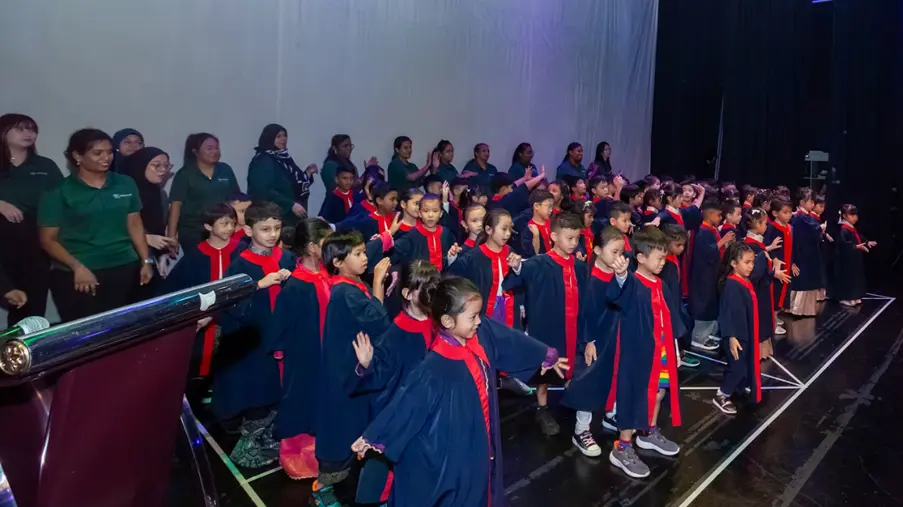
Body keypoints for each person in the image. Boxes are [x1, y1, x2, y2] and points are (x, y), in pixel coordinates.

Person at [350, 277, 568, 507]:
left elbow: (508, 339)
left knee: (484, 482)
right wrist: (374, 436)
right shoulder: (433, 368)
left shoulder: (480, 334)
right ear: (447, 321)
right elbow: (407, 404)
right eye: (472, 317)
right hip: (456, 446)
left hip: (483, 438)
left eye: (479, 314)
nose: (479, 321)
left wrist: (544, 355)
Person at [348, 260, 441, 505]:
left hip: (425, 411)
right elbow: (379, 376)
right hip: (396, 411)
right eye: (427, 289)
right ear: (408, 294)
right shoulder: (396, 333)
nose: (433, 294)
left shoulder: (437, 323)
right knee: (379, 462)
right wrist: (368, 364)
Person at [38, 128, 153, 322]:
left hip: (124, 266)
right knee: (86, 334)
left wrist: (146, 261)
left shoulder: (125, 183)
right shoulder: (58, 191)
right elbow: (47, 240)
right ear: (78, 156)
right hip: (80, 272)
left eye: (109, 152)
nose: (106, 158)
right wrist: (77, 267)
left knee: (123, 328)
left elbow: (135, 224)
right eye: (98, 153)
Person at [312, 232, 392, 506]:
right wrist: (379, 285)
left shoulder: (352, 283)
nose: (365, 257)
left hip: (357, 368)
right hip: (346, 373)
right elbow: (377, 321)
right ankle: (321, 489)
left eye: (363, 252)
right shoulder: (344, 291)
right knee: (341, 428)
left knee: (356, 425)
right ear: (337, 262)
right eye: (357, 254)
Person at [213, 202, 294, 468]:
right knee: (257, 392)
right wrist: (259, 285)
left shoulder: (285, 257)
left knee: (278, 391)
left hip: (281, 337)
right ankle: (248, 447)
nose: (272, 234)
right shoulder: (240, 265)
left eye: (277, 228)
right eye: (265, 229)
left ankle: (270, 438)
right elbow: (228, 304)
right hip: (255, 342)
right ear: (248, 230)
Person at [606, 229, 681, 479]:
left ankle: (649, 432)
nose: (663, 263)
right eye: (659, 258)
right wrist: (619, 276)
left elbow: (669, 318)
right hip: (637, 353)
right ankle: (623, 447)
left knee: (658, 392)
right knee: (633, 397)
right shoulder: (632, 282)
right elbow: (615, 295)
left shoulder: (659, 284)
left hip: (660, 350)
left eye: (664, 258)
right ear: (640, 257)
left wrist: (674, 349)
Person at [505, 212, 588, 436]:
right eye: (569, 238)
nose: (573, 243)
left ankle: (569, 400)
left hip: (575, 327)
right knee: (546, 372)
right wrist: (516, 267)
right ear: (553, 237)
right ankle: (542, 408)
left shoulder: (580, 267)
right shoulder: (539, 264)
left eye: (576, 239)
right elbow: (519, 276)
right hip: (548, 328)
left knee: (573, 367)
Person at [267, 218, 334, 480]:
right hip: (303, 357)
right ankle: (296, 454)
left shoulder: (330, 275)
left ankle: (321, 447)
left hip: (327, 353)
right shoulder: (295, 284)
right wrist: (282, 352)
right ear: (311, 248)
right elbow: (281, 327)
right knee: (300, 400)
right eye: (325, 242)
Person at [561, 226, 625, 457]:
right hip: (595, 341)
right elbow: (585, 313)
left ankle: (610, 415)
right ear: (597, 250)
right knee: (589, 381)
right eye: (615, 252)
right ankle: (581, 430)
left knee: (616, 377)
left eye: (622, 252)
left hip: (614, 337)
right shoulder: (591, 279)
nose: (620, 258)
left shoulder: (617, 275)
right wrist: (589, 341)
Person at [0, 113, 63, 325]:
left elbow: (62, 199)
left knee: (31, 304)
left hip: (35, 242)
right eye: (20, 129)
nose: (29, 134)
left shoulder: (45, 166)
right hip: (3, 240)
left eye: (32, 129)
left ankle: (25, 351)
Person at [166, 203, 241, 381]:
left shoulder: (242, 251)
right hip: (202, 327)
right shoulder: (194, 257)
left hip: (235, 322)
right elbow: (174, 292)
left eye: (232, 223)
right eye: (224, 223)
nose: (230, 228)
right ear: (208, 226)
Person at [448, 208, 521, 328]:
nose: (508, 234)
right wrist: (452, 258)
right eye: (503, 229)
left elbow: (517, 283)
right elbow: (454, 277)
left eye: (510, 229)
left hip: (509, 308)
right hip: (484, 311)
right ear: (488, 229)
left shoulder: (510, 252)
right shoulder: (473, 257)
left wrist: (518, 268)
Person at [712, 243, 762, 415]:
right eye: (747, 262)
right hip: (735, 335)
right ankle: (722, 394)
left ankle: (741, 385)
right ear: (734, 263)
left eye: (752, 262)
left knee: (742, 363)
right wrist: (731, 336)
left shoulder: (744, 280)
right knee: (738, 366)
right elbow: (726, 314)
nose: (751, 266)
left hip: (745, 332)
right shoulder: (732, 285)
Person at [168, 133, 241, 250]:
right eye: (209, 148)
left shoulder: (225, 169)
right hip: (194, 232)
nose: (215, 151)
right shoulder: (185, 174)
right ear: (195, 151)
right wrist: (171, 237)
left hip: (223, 230)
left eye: (217, 147)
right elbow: (176, 206)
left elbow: (236, 199)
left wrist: (239, 224)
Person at [121, 147, 179, 290]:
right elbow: (114, 227)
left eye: (166, 165)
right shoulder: (124, 194)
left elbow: (159, 228)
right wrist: (146, 238)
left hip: (151, 260)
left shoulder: (160, 194)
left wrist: (162, 255)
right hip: (124, 260)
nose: (163, 170)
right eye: (157, 165)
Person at [247, 124, 317, 226]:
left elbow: (292, 183)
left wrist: (307, 173)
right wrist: (290, 204)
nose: (283, 139)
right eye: (278, 136)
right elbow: (263, 190)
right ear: (269, 138)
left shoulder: (283, 157)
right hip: (274, 215)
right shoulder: (263, 160)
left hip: (290, 215)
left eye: (285, 135)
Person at [742, 208, 789, 360]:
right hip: (757, 291)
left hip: (762, 288)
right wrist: (774, 272)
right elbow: (755, 272)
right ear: (757, 224)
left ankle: (762, 350)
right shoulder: (752, 246)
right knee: (759, 319)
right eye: (764, 223)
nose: (767, 226)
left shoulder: (755, 243)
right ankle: (757, 351)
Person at [689, 200, 735, 351]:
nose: (720, 218)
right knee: (704, 305)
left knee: (711, 304)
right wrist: (723, 241)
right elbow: (707, 253)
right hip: (704, 277)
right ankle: (698, 338)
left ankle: (708, 334)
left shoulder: (712, 230)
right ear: (709, 214)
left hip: (713, 275)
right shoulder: (703, 232)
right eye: (718, 215)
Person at [659, 224, 700, 369]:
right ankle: (676, 355)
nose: (682, 248)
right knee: (676, 329)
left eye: (683, 245)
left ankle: (679, 352)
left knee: (684, 325)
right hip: (671, 303)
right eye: (678, 245)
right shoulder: (664, 264)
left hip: (677, 300)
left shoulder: (673, 258)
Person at [390, 193, 461, 272]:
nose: (430, 215)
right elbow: (394, 255)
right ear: (419, 213)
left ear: (441, 213)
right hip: (419, 280)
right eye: (426, 211)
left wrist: (452, 255)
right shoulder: (412, 235)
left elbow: (452, 258)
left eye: (435, 211)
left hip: (443, 279)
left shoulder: (446, 233)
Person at [788, 188, 825, 317]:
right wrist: (820, 228)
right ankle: (798, 309)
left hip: (808, 253)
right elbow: (811, 232)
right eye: (810, 201)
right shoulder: (800, 218)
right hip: (803, 254)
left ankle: (801, 308)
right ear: (802, 202)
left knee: (806, 282)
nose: (812, 204)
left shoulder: (804, 217)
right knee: (803, 282)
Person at [832, 204, 875, 306]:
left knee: (855, 278)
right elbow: (843, 244)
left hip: (854, 258)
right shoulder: (843, 229)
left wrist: (866, 242)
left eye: (855, 215)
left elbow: (859, 237)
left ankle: (855, 296)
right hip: (846, 259)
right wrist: (855, 247)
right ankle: (846, 297)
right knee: (848, 278)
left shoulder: (851, 228)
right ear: (844, 216)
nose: (855, 217)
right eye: (851, 215)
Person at [764, 198, 797, 311]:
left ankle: (777, 316)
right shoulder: (771, 228)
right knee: (775, 293)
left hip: (787, 265)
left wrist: (792, 263)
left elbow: (792, 248)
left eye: (790, 212)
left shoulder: (790, 228)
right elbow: (766, 247)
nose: (789, 215)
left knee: (784, 291)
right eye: (785, 212)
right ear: (775, 213)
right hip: (776, 267)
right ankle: (774, 319)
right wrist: (773, 259)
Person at [521, 189, 554, 257]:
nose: (551, 210)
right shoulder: (529, 228)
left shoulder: (553, 222)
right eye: (548, 206)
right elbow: (531, 254)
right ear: (536, 206)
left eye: (552, 207)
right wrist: (536, 236)